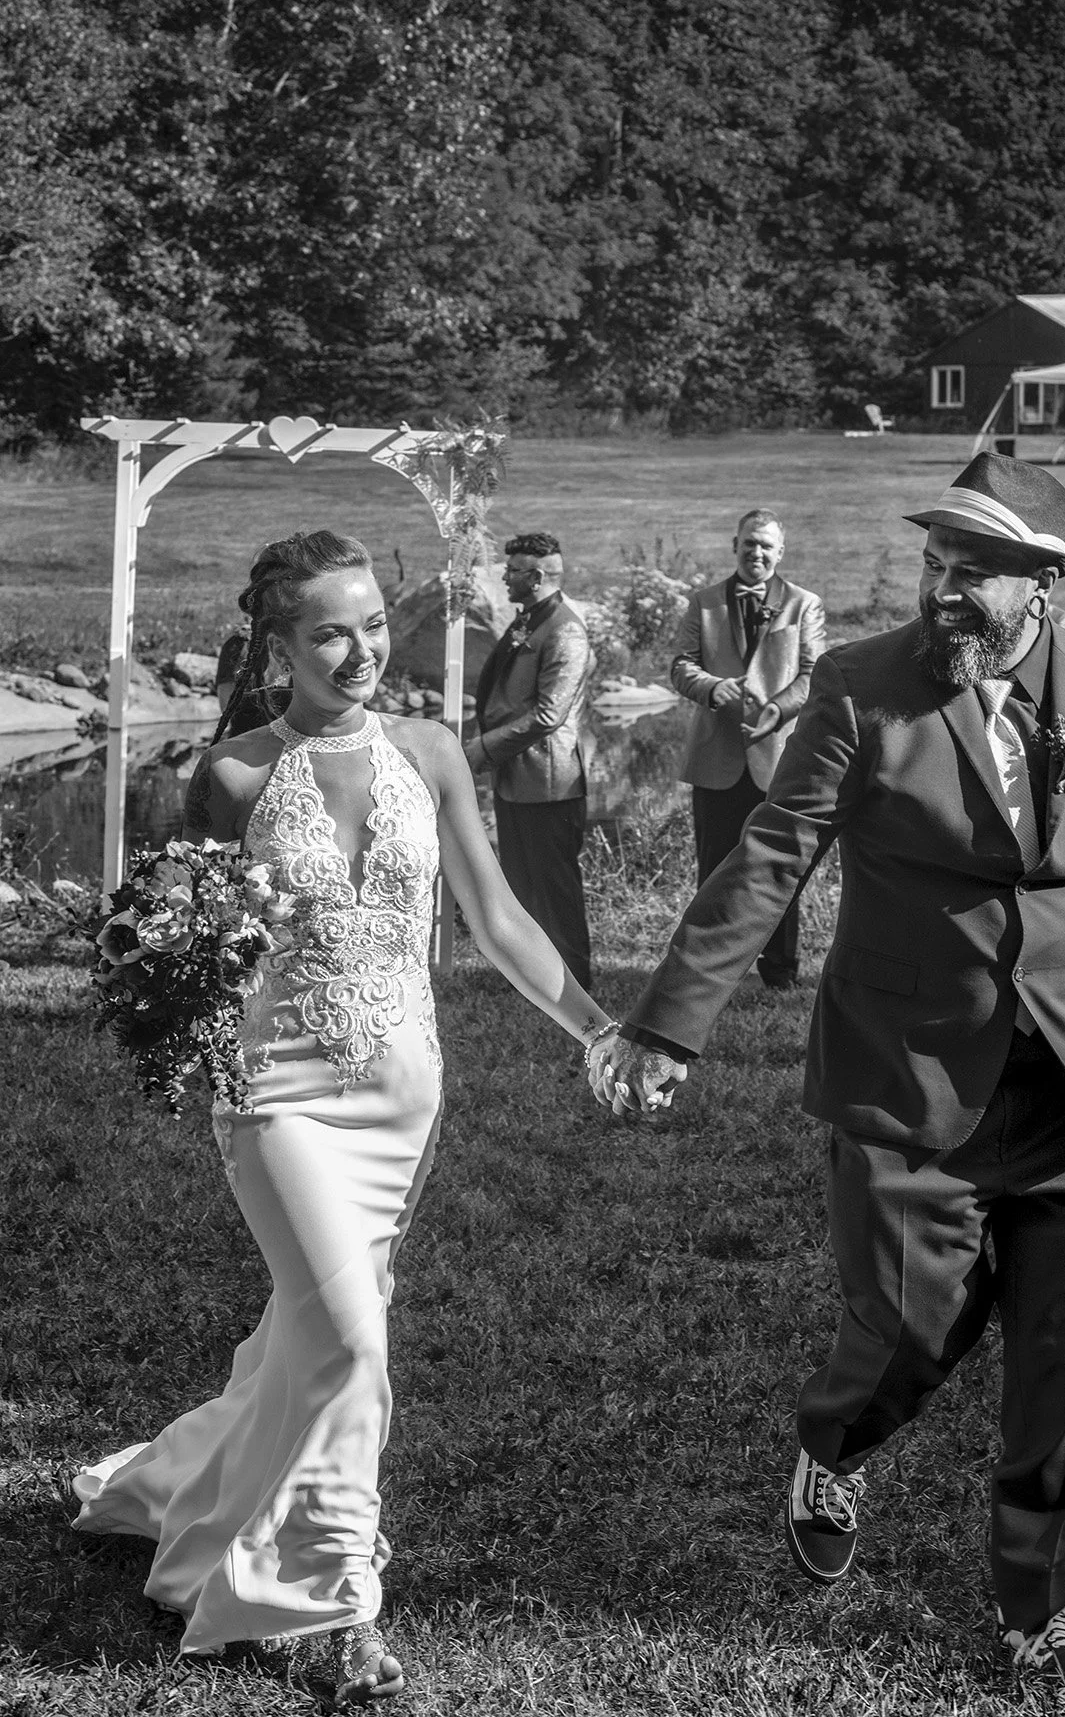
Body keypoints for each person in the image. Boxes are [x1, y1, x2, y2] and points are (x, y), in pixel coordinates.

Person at [589, 453, 1065, 1689]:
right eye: (934, 563)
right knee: (919, 1324)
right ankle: (836, 1439)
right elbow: (774, 854)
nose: (945, 589)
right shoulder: (864, 687)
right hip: (911, 1070)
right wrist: (666, 1024)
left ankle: (1038, 1602)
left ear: (1043, 582)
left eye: (973, 569)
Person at [73, 530, 613, 1704]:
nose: (364, 648)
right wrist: (168, 1000)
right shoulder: (231, 776)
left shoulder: (430, 750)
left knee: (316, 1338)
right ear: (280, 645)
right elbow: (182, 949)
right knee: (356, 1342)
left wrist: (597, 1028)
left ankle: (180, 1487)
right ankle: (335, 1604)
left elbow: (500, 918)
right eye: (333, 630)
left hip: (401, 1096)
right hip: (278, 1097)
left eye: (374, 624)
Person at [671, 508, 825, 989]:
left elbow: (813, 674)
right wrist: (713, 689)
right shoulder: (704, 602)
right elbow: (680, 665)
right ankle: (711, 970)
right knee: (714, 868)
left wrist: (776, 711)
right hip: (716, 759)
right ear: (733, 545)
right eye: (748, 543)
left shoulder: (803, 605)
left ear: (780, 552)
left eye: (766, 546)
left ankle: (779, 971)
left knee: (776, 870)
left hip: (776, 760)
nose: (756, 552)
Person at [464, 531, 594, 990]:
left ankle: (575, 983)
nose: (504, 575)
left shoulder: (565, 630)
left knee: (556, 892)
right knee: (521, 885)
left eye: (512, 570)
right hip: (517, 778)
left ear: (536, 576)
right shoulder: (530, 621)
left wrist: (483, 748)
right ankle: (533, 978)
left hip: (550, 783)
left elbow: (549, 714)